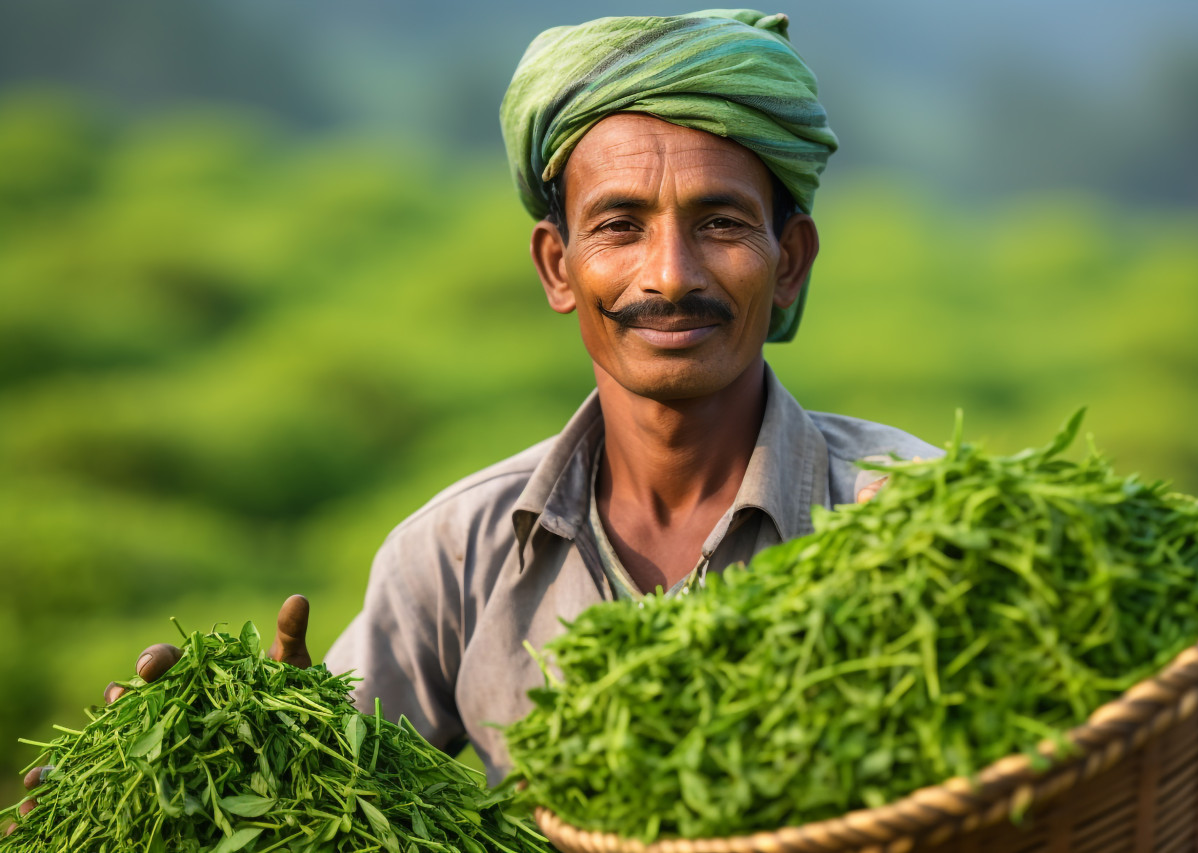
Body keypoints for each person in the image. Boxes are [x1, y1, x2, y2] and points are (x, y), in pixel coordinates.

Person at [13, 9, 939, 824]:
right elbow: (338, 793)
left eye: (721, 224)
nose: (670, 274)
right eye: (620, 225)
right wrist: (247, 751)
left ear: (790, 261)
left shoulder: (914, 521)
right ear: (556, 266)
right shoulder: (455, 553)